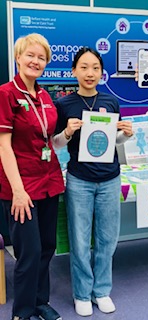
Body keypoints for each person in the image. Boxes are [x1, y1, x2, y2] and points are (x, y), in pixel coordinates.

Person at [54, 47, 133, 317]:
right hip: (79, 180)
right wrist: (66, 132)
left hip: (110, 178)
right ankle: (81, 293)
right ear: (74, 71)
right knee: (79, 240)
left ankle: (101, 291)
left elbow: (115, 142)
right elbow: (55, 145)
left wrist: (126, 134)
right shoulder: (64, 104)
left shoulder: (111, 102)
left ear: (101, 72)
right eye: (84, 67)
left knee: (107, 239)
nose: (90, 73)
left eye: (95, 68)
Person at [0, 33, 64, 320]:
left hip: (49, 181)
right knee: (29, 252)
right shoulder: (5, 94)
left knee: (47, 246)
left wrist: (67, 135)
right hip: (21, 187)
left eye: (41, 58)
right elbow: (3, 145)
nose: (35, 61)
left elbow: (47, 139)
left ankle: (40, 302)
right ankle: (22, 312)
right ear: (18, 57)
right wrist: (18, 190)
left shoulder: (45, 95)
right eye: (30, 55)